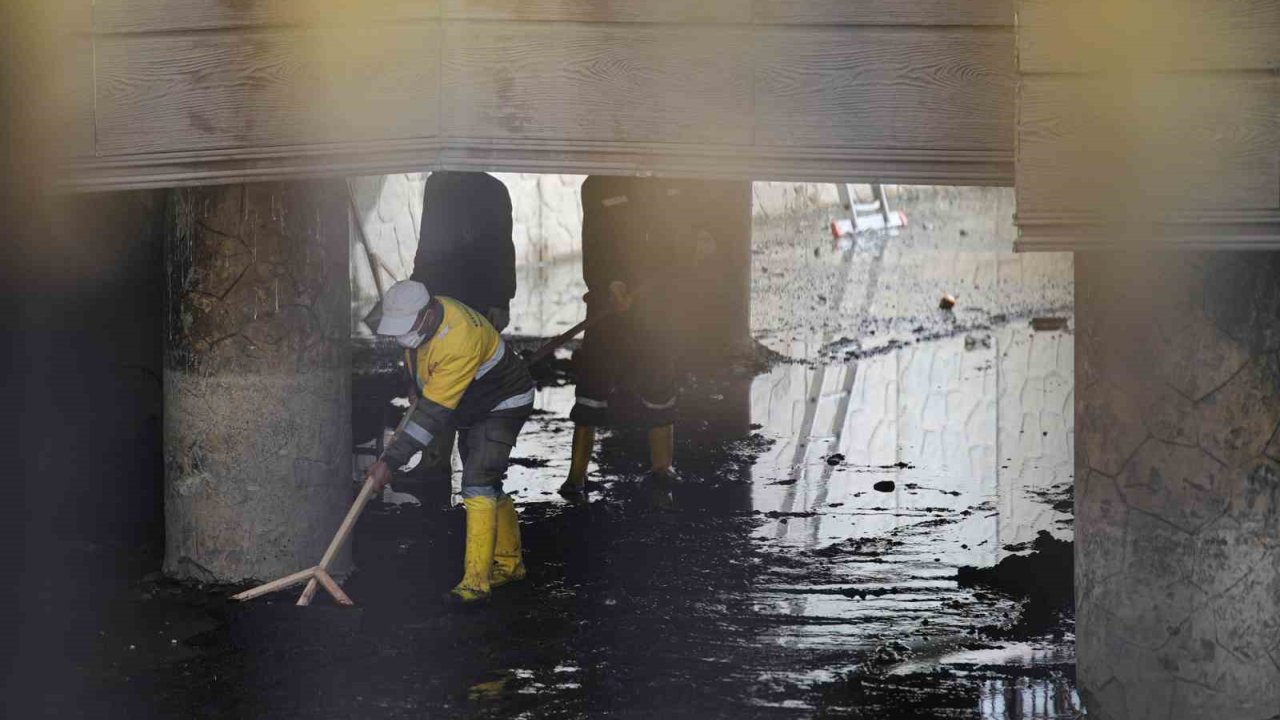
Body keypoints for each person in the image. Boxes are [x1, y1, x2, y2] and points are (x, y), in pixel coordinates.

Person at [366, 280, 535, 604]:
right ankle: (510, 564)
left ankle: (476, 583)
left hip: (503, 402)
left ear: (427, 316)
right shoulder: (427, 318)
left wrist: (390, 461)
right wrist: (415, 385)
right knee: (487, 482)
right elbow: (420, 366)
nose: (403, 336)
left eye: (406, 327)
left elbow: (432, 416)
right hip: (471, 405)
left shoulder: (458, 338)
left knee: (478, 480)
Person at [559, 176, 711, 497]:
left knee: (660, 379)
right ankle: (576, 477)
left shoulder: (670, 180)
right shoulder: (597, 185)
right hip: (609, 308)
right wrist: (609, 284)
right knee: (592, 384)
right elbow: (595, 246)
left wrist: (700, 239)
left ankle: (662, 468)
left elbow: (688, 229)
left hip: (658, 308)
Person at [409, 171, 516, 483]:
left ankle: (476, 463)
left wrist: (501, 299)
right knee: (434, 379)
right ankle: (434, 460)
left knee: (473, 385)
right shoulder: (437, 182)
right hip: (439, 295)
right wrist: (418, 288)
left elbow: (501, 248)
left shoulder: (492, 189)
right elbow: (427, 243)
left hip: (477, 300)